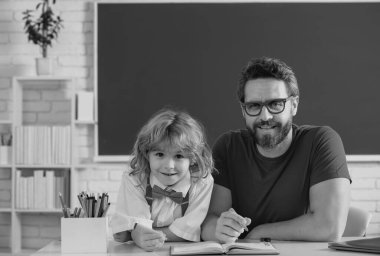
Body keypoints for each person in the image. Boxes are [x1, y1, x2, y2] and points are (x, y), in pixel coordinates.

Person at [201, 57, 351, 243]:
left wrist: (258, 232)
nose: (265, 116)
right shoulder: (228, 146)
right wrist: (218, 229)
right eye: (254, 106)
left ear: (294, 105)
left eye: (275, 104)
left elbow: (328, 227)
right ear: (243, 110)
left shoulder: (321, 141)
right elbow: (208, 221)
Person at [110, 108, 214, 251]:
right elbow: (135, 226)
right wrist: (135, 231)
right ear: (147, 154)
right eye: (160, 154)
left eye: (179, 156)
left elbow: (189, 230)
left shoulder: (201, 181)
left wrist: (134, 233)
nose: (169, 166)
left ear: (193, 158)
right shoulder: (135, 177)